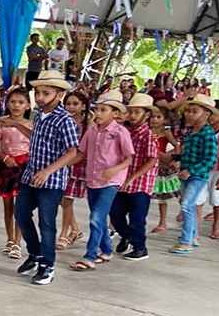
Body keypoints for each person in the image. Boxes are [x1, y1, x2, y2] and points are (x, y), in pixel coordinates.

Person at [6, 70, 78, 285]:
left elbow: (72, 151)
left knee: (47, 223)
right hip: (30, 176)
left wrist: (48, 171)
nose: (39, 97)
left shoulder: (64, 120)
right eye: (37, 93)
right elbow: (37, 137)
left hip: (51, 181)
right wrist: (17, 125)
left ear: (60, 95)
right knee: (21, 214)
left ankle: (48, 265)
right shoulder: (39, 115)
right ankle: (35, 255)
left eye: (46, 93)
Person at [69, 90, 133, 271]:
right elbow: (81, 153)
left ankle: (89, 256)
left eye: (103, 110)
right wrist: (63, 164)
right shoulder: (92, 130)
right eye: (97, 109)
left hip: (111, 181)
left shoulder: (120, 132)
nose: (98, 113)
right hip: (93, 179)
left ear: (115, 113)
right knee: (100, 218)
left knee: (95, 218)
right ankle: (106, 250)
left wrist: (115, 169)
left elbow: (128, 158)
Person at [164, 94, 219, 255]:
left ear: (206, 114)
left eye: (194, 111)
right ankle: (193, 236)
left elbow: (210, 159)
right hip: (185, 174)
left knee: (187, 205)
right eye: (188, 111)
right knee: (189, 205)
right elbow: (188, 154)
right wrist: (174, 158)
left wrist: (191, 170)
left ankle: (186, 242)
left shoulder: (207, 134)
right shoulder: (191, 131)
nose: (189, 114)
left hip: (196, 176)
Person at [110, 93, 159, 261]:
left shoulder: (148, 136)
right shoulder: (126, 132)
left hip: (141, 183)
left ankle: (140, 247)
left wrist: (132, 178)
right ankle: (127, 236)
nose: (132, 116)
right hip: (123, 180)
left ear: (146, 115)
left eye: (137, 112)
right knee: (115, 213)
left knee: (137, 218)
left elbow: (152, 160)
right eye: (130, 112)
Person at [0, 86, 31, 260]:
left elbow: (36, 143)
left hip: (25, 166)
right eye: (13, 102)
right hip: (7, 167)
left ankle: (17, 243)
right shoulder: (1, 123)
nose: (16, 105)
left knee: (22, 206)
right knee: (8, 205)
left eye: (21, 102)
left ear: (28, 106)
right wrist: (5, 157)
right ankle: (10, 238)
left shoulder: (31, 126)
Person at [57, 90, 93, 251]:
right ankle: (75, 229)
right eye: (68, 104)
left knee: (66, 200)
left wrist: (69, 162)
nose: (71, 107)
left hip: (78, 166)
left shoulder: (88, 126)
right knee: (62, 199)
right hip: (63, 164)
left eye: (75, 104)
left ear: (83, 106)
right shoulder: (63, 122)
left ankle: (64, 234)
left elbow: (83, 151)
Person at [197, 101, 219, 240]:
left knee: (217, 199)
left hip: (218, 170)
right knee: (198, 199)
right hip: (202, 169)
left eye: (215, 114)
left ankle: (216, 225)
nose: (211, 117)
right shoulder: (203, 129)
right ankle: (194, 229)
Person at [150, 106, 181, 233]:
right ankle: (161, 221)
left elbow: (177, 147)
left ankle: (180, 211)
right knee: (156, 196)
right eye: (153, 117)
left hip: (162, 167)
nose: (155, 120)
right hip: (149, 165)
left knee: (168, 194)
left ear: (165, 120)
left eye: (159, 117)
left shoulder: (166, 132)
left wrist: (176, 159)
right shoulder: (146, 130)